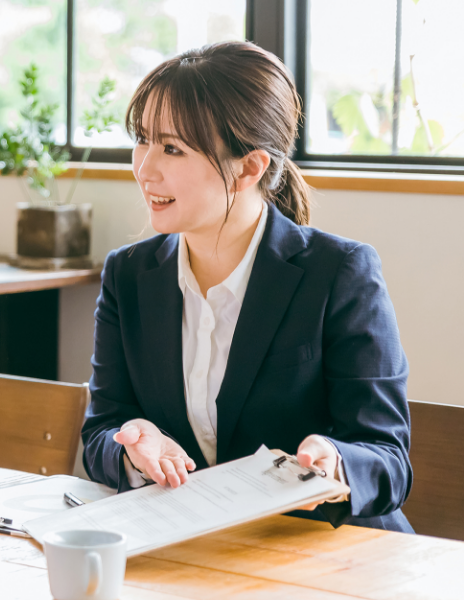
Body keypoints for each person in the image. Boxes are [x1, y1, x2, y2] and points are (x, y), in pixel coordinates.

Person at [81, 41, 413, 532]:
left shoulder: (341, 272)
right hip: (195, 548)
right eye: (142, 139)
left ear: (250, 167)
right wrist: (133, 448)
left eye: (172, 148)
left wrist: (335, 460)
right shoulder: (128, 275)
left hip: (327, 550)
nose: (144, 167)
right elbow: (101, 431)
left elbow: (388, 457)